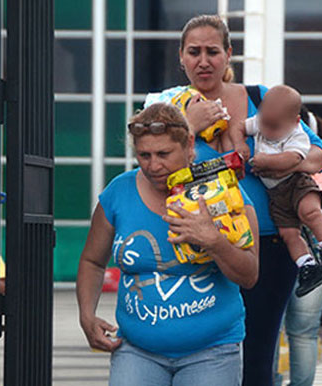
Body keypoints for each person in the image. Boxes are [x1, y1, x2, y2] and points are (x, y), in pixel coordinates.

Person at [145, 14, 322, 385]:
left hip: (267, 245)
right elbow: (149, 165)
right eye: (194, 52)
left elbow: (320, 154)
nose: (204, 61)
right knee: (200, 357)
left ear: (229, 54)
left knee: (257, 358)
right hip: (195, 248)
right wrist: (188, 123)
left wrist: (284, 161)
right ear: (181, 57)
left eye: (213, 51)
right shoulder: (164, 105)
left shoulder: (261, 98)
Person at [76, 103, 260, 386]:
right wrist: (86, 315)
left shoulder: (223, 192)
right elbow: (92, 261)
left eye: (163, 154)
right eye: (144, 155)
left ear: (188, 144)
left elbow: (249, 275)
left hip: (212, 352)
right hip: (137, 351)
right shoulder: (118, 193)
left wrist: (213, 241)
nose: (153, 165)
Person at [244, 85, 322, 297]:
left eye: (274, 127)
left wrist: (266, 161)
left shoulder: (297, 135)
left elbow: (294, 158)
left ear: (295, 122)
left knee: (310, 212)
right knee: (288, 233)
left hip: (295, 184)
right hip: (276, 195)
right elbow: (241, 128)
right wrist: (237, 142)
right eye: (264, 123)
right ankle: (306, 266)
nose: (267, 131)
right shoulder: (262, 122)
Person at [272, 109, 322, 386]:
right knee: (303, 331)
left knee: (271, 327)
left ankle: (273, 380)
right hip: (318, 246)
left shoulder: (268, 161)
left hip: (280, 244)